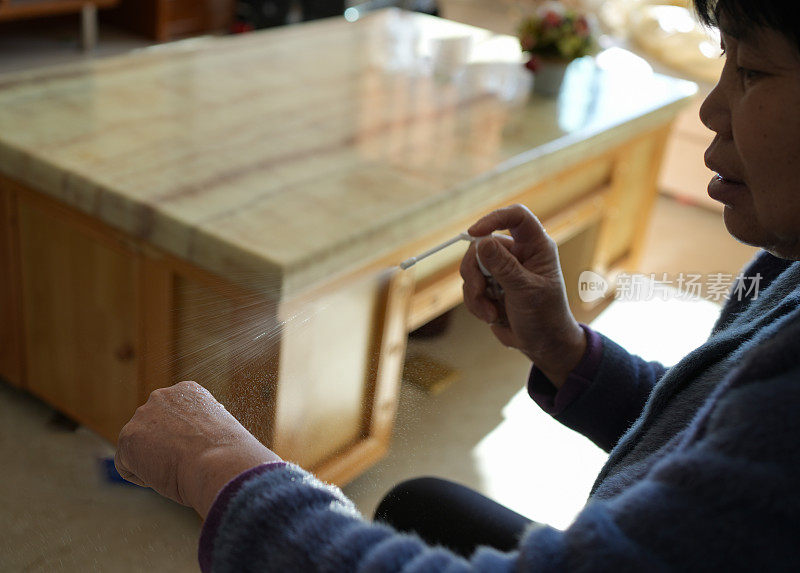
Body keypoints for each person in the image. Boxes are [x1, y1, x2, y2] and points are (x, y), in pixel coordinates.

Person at [115, 0, 800, 570]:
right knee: (419, 504)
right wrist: (566, 349)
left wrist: (220, 467)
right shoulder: (785, 267)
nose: (712, 110)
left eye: (752, 69)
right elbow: (704, 428)